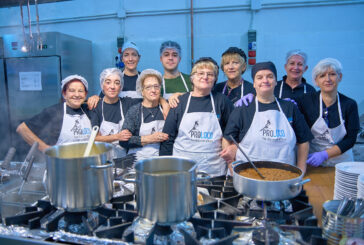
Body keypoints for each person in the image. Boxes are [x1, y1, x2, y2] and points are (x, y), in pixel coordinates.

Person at [221, 62, 313, 174]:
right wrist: (231, 166)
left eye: (270, 76)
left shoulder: (289, 108)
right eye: (259, 77)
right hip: (248, 176)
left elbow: (303, 141)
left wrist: (301, 169)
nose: (265, 80)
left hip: (285, 176)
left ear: (275, 82)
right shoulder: (242, 110)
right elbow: (227, 139)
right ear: (254, 83)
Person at [160, 57, 234, 177]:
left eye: (210, 74)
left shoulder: (222, 101)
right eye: (200, 73)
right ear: (192, 78)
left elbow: (234, 133)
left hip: (213, 171)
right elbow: (167, 138)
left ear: (214, 79)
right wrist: (166, 169)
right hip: (181, 171)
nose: (205, 77)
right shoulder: (180, 102)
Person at [296, 58, 360, 167]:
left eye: (332, 74)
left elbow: (351, 139)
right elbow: (300, 132)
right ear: (316, 81)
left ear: (340, 77)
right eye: (322, 76)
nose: (328, 79)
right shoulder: (305, 101)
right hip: (313, 160)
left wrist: (324, 155)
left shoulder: (349, 104)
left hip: (342, 162)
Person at [16, 75, 92, 152]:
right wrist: (45, 148)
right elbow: (22, 129)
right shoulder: (54, 112)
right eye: (72, 91)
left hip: (87, 161)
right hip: (62, 162)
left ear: (85, 94)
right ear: (64, 94)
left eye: (80, 91)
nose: (77, 95)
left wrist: (96, 98)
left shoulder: (89, 110)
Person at [90, 68, 141, 159]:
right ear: (102, 85)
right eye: (108, 82)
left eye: (117, 83)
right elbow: (94, 138)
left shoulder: (127, 103)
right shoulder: (96, 106)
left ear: (121, 87)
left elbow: (149, 98)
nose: (112, 87)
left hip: (124, 158)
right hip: (102, 158)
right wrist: (117, 136)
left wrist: (163, 102)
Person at [120, 69, 169, 160]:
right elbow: (123, 141)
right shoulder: (134, 111)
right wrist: (150, 138)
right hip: (137, 160)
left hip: (161, 160)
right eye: (148, 87)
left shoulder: (166, 109)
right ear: (142, 91)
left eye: (156, 86)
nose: (153, 90)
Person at [87, 41, 142, 110]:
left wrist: (160, 99)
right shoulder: (115, 78)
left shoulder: (145, 79)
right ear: (122, 59)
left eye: (134, 55)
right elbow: (103, 97)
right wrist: (96, 97)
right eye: (126, 55)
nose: (130, 59)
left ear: (139, 58)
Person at [160, 40, 192, 106]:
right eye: (166, 55)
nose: (170, 58)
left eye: (174, 55)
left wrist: (180, 94)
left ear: (179, 59)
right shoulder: (157, 82)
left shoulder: (191, 80)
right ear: (161, 59)